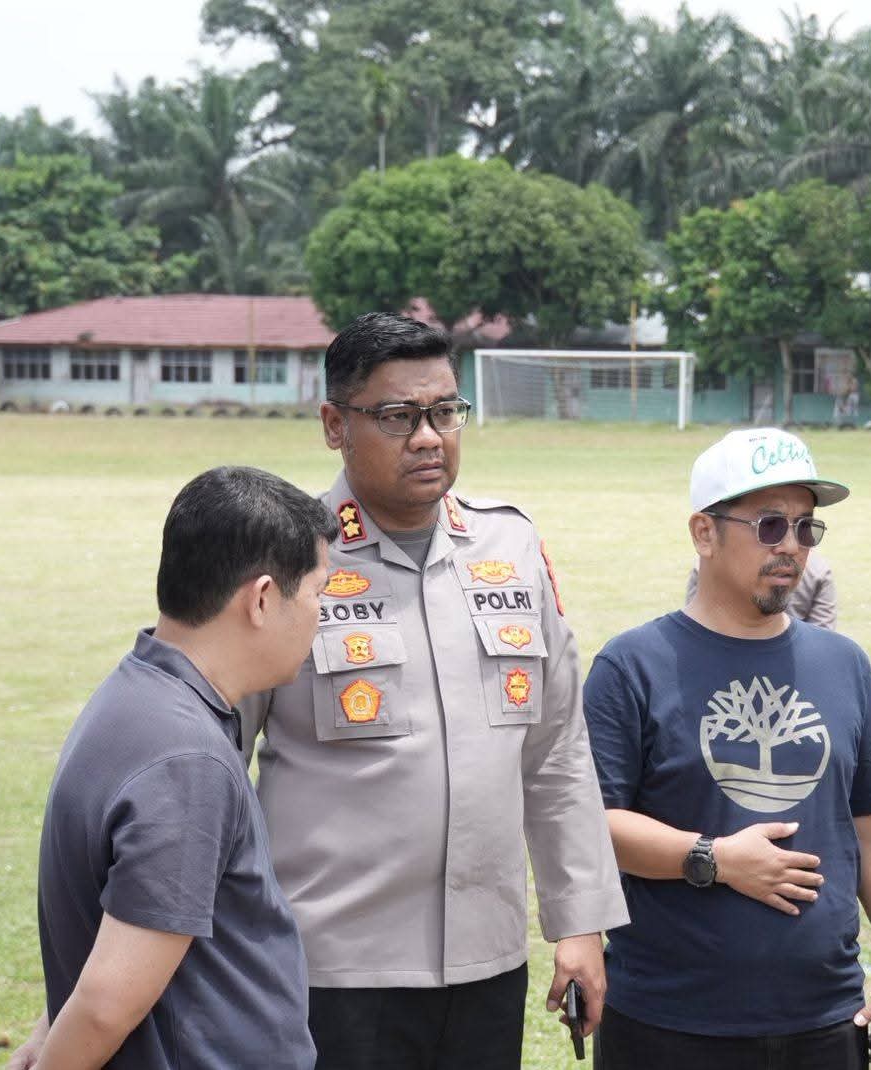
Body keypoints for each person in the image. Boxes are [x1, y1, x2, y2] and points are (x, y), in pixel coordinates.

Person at [250, 312, 627, 1068]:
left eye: (445, 411)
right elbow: (216, 759)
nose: (429, 437)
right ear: (335, 424)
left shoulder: (510, 544)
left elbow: (556, 751)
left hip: (486, 961)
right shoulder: (287, 557)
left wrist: (579, 921)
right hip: (335, 968)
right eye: (398, 416)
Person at [583, 426, 871, 1069]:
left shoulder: (844, 663)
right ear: (703, 533)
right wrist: (712, 859)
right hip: (668, 1022)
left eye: (806, 527)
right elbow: (591, 825)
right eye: (770, 525)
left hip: (824, 1019)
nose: (791, 546)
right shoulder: (633, 666)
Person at [19, 466, 335, 1069]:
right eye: (318, 592)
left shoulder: (137, 694)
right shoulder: (187, 759)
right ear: (262, 599)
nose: (322, 615)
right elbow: (107, 1003)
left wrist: (50, 1022)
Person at [685, 550, 838, 629]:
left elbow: (694, 625)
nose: (791, 545)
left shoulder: (706, 566)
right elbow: (823, 636)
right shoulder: (818, 569)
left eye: (804, 526)